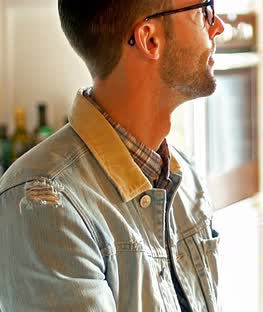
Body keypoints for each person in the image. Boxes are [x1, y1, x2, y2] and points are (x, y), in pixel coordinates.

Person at [0, 0, 224, 310]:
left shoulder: (185, 178)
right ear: (150, 39)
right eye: (204, 10)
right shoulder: (46, 203)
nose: (218, 26)